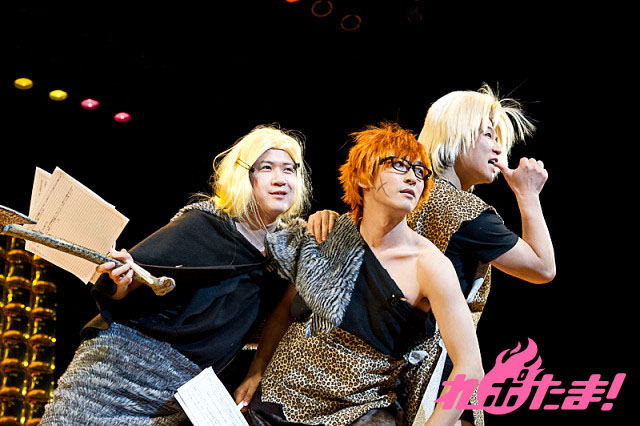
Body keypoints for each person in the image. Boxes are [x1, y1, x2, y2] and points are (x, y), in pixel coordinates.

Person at [307, 84, 556, 425]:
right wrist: (528, 194)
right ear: (456, 136)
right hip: (437, 381)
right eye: (488, 134)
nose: (499, 148)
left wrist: (324, 217)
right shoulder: (465, 211)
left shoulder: (396, 192)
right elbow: (542, 268)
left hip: (375, 377)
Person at [40, 124, 311, 425]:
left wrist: (257, 372)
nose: (280, 179)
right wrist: (120, 280)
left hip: (179, 394)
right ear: (244, 175)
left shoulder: (290, 252)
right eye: (267, 168)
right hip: (119, 372)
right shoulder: (205, 225)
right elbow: (125, 286)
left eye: (289, 169)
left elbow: (282, 316)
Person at [243, 122, 484, 426]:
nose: (413, 177)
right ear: (363, 176)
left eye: (420, 171)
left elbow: (470, 368)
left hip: (359, 412)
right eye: (398, 165)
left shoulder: (430, 265)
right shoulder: (332, 232)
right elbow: (284, 313)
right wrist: (256, 371)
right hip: (279, 398)